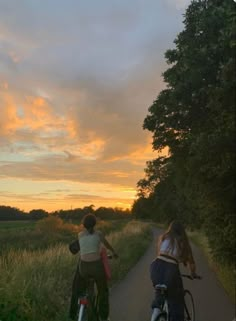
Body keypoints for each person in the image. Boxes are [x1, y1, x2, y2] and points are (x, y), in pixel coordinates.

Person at [69, 213, 118, 321]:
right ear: (95, 224)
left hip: (83, 268)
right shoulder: (99, 234)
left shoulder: (80, 235)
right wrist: (114, 252)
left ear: (84, 224)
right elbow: (107, 245)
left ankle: (80, 306)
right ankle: (104, 316)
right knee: (103, 291)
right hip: (96, 268)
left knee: (82, 283)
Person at [150, 221, 198, 321]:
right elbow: (191, 263)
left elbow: (160, 254)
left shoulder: (163, 237)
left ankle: (155, 315)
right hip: (171, 269)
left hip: (155, 267)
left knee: (159, 295)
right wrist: (192, 274)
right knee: (176, 302)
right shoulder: (182, 241)